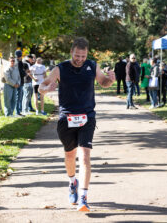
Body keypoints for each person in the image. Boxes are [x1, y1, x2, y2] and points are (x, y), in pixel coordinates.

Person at [39, 37, 115, 212]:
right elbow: (41, 87)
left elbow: (103, 82)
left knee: (85, 156)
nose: (80, 59)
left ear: (87, 54)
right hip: (67, 119)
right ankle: (72, 181)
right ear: (71, 52)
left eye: (83, 56)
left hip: (87, 117)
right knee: (70, 156)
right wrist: (46, 89)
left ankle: (83, 197)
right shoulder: (60, 68)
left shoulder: (92, 66)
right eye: (77, 55)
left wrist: (110, 79)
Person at [15, 50, 26, 116]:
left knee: (19, 97)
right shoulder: (18, 62)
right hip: (19, 82)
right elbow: (20, 72)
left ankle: (18, 111)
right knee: (18, 98)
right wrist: (25, 73)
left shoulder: (18, 62)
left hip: (19, 81)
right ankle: (17, 112)